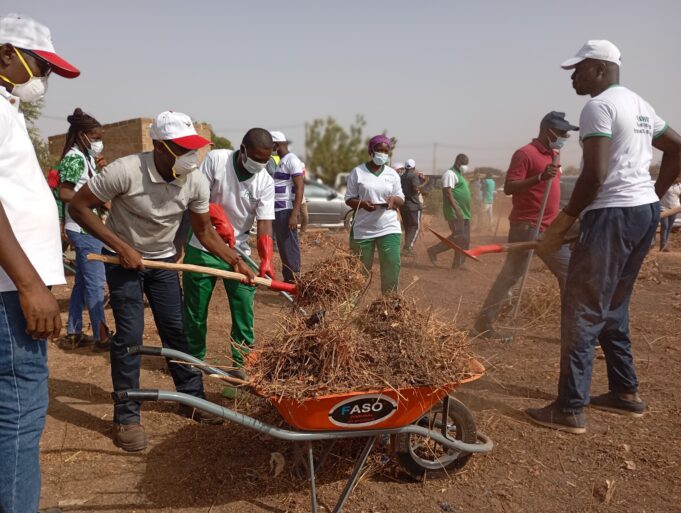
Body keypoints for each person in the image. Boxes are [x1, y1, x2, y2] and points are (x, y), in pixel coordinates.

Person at [69, 111, 257, 451]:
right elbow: (79, 207)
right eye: (182, 148)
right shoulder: (125, 171)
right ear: (159, 146)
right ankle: (127, 415)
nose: (191, 156)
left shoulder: (195, 180)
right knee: (129, 336)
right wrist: (122, 246)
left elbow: (204, 231)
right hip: (123, 261)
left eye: (194, 149)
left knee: (176, 331)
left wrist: (236, 260)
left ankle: (192, 400)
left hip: (165, 264)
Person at [527, 40, 681, 433]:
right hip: (640, 212)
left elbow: (594, 175)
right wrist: (655, 194)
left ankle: (569, 407)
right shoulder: (640, 105)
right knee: (613, 304)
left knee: (581, 306)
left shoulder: (598, 106)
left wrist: (561, 225)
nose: (574, 77)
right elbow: (678, 149)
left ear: (598, 68)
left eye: (577, 70)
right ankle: (625, 392)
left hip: (613, 213)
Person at [0, 13, 80, 513]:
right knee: (19, 414)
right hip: (9, 292)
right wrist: (30, 285)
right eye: (38, 65)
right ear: (6, 53)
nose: (43, 80)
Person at [473, 112, 578, 341]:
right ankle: (484, 323)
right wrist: (540, 177)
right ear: (547, 130)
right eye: (561, 132)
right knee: (512, 275)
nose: (565, 136)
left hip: (550, 226)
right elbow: (510, 187)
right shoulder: (525, 154)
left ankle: (575, 330)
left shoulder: (555, 154)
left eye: (566, 133)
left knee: (565, 275)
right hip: (528, 226)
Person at [183, 128, 275, 373]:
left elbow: (265, 222)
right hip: (203, 245)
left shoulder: (265, 180)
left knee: (244, 309)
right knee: (195, 311)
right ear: (242, 149)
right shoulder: (217, 160)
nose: (260, 164)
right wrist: (215, 215)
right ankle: (193, 361)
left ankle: (241, 365)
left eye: (265, 160)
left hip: (240, 252)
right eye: (256, 158)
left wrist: (266, 258)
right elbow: (196, 195)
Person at [56, 108, 112, 351]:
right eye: (96, 137)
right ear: (82, 135)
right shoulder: (74, 158)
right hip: (83, 228)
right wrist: (96, 201)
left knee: (82, 282)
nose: (99, 142)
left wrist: (101, 169)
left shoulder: (86, 157)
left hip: (88, 227)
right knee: (95, 284)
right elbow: (64, 191)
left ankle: (74, 331)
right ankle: (101, 336)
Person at [345, 135, 405, 293]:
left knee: (391, 266)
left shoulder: (392, 174)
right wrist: (362, 204)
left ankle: (389, 306)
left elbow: (401, 198)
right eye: (379, 150)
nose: (382, 154)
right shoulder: (358, 172)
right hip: (363, 228)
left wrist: (394, 200)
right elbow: (348, 199)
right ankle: (351, 309)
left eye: (386, 151)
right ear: (371, 151)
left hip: (388, 226)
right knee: (358, 273)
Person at [427, 154, 472, 269]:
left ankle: (459, 262)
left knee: (464, 239)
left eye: (467, 164)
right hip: (455, 212)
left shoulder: (460, 175)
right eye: (464, 164)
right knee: (459, 238)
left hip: (464, 213)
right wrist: (457, 208)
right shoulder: (450, 174)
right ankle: (436, 253)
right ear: (457, 162)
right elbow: (447, 192)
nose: (465, 166)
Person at [270, 131, 304, 283]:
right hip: (278, 210)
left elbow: (299, 188)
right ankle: (288, 281)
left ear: (276, 145)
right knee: (283, 247)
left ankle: (295, 281)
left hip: (286, 210)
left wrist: (293, 214)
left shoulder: (292, 160)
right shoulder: (281, 161)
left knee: (290, 245)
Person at [400, 158, 428, 255]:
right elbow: (415, 188)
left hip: (403, 206)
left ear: (405, 167)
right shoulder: (413, 176)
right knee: (415, 227)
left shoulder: (401, 177)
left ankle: (406, 246)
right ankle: (408, 247)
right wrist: (425, 181)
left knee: (408, 227)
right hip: (414, 206)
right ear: (414, 167)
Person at [658, 178, 681, 251]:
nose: (678, 179)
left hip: (674, 208)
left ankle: (665, 244)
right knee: (665, 226)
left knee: (669, 227)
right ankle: (663, 245)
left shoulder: (680, 186)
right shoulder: (666, 184)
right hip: (663, 208)